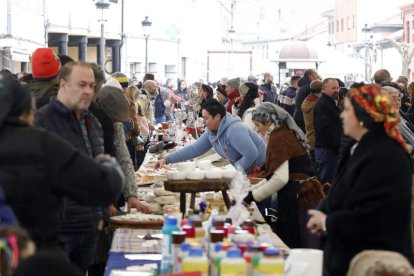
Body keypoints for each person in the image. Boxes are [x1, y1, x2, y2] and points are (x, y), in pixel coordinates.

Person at [0, 76, 123, 252]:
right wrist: (108, 164)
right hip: (38, 252)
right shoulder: (41, 143)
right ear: (28, 111)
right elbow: (103, 185)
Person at [307, 83, 412, 276]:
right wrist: (322, 211)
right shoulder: (358, 148)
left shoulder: (387, 155)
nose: (341, 116)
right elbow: (341, 191)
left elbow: (374, 216)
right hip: (348, 258)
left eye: (347, 110)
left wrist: (328, 222)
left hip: (375, 265)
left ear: (363, 117)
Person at [242, 102, 323, 248]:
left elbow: (280, 178)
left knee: (294, 242)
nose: (259, 131)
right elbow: (275, 175)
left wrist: (252, 196)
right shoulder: (284, 131)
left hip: (299, 196)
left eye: (258, 125)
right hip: (300, 192)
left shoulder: (279, 136)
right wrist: (252, 193)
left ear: (269, 121)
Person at [155, 99, 266, 175]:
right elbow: (193, 149)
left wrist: (233, 170)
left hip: (262, 169)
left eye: (206, 118)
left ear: (217, 117)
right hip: (248, 170)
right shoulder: (212, 131)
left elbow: (251, 154)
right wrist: (167, 159)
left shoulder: (234, 129)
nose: (203, 121)